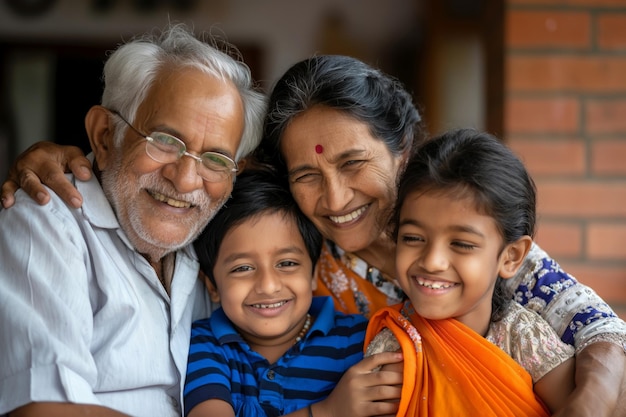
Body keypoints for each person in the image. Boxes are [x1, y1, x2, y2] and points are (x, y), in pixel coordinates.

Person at [3, 54, 626, 416]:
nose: (333, 198)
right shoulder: (292, 242)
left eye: (354, 165)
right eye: (306, 175)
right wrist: (75, 156)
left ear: (404, 151)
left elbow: (602, 333)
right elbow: (180, 180)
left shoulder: (465, 242)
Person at [0, 23, 269, 417]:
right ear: (105, 137)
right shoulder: (47, 222)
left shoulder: (222, 239)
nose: (186, 179)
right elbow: (44, 409)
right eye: (164, 141)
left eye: (215, 159)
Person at [364, 128, 576, 416]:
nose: (433, 261)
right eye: (413, 238)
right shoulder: (393, 348)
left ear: (511, 257)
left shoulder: (523, 337)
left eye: (462, 244)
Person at [185, 168, 402, 417]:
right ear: (212, 286)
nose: (268, 286)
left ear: (313, 273)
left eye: (287, 263)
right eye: (242, 268)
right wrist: (326, 412)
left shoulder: (359, 340)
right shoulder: (206, 345)